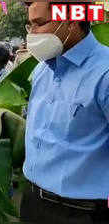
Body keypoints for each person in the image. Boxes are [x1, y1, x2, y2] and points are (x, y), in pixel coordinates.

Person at [22, 2, 109, 223]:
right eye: (30, 25)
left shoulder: (104, 73)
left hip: (81, 212)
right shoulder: (42, 70)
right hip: (33, 202)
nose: (32, 34)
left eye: (39, 24)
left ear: (71, 19)